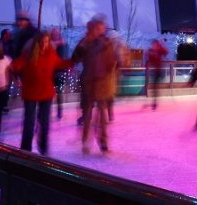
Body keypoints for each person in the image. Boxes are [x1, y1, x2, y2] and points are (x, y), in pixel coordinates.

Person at [11, 32, 72, 154]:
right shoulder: (28, 55)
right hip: (31, 93)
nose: (44, 44)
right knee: (29, 122)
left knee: (44, 122)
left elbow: (60, 64)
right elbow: (14, 66)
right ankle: (25, 149)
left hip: (46, 92)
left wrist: (73, 60)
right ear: (37, 43)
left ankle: (43, 148)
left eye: (47, 41)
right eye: (42, 42)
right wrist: (16, 78)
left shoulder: (51, 54)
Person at [72, 18, 118, 154]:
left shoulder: (106, 43)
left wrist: (111, 69)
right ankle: (85, 141)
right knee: (87, 114)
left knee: (102, 115)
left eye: (101, 28)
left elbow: (112, 63)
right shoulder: (86, 42)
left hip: (102, 84)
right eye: (98, 28)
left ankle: (103, 142)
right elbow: (75, 58)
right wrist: (84, 44)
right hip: (88, 83)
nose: (100, 31)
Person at [50, 28, 68, 120]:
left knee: (59, 92)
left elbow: (63, 58)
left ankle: (59, 111)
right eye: (53, 33)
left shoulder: (63, 44)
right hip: (49, 72)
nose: (54, 35)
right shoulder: (48, 44)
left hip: (59, 72)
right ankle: (47, 110)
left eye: (56, 33)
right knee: (48, 92)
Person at [146, 39, 168, 110]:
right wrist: (149, 54)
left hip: (159, 71)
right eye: (153, 45)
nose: (154, 46)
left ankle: (154, 101)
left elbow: (166, 52)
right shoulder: (152, 51)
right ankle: (154, 102)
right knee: (155, 87)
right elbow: (150, 60)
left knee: (155, 87)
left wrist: (160, 47)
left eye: (155, 45)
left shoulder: (159, 50)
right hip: (155, 71)